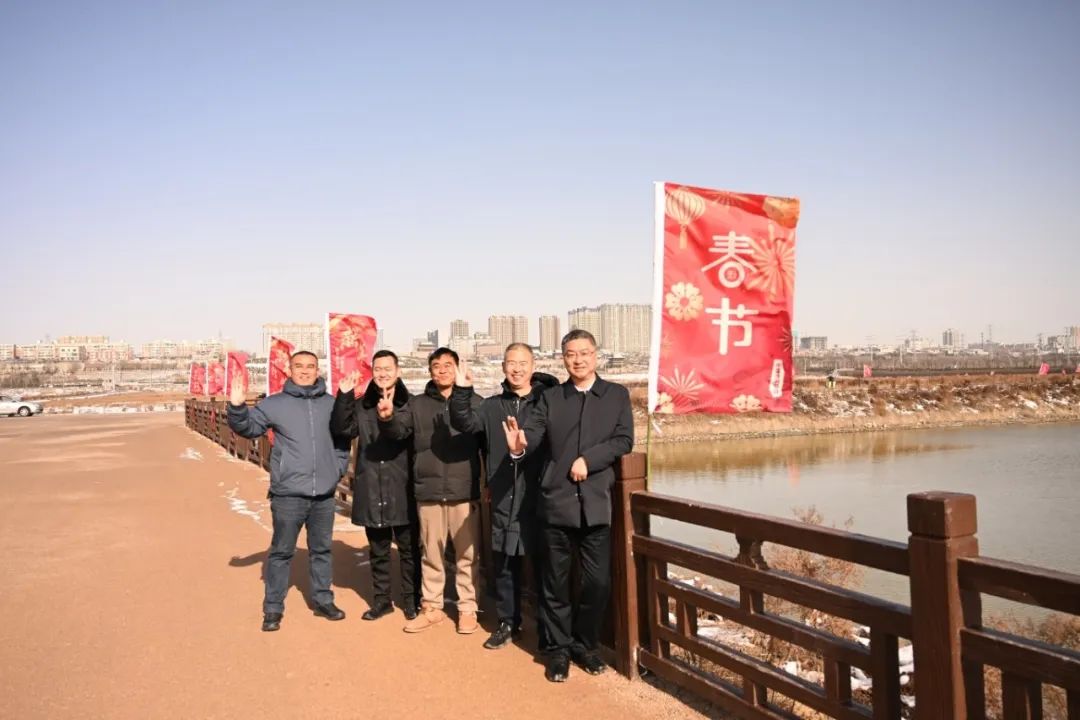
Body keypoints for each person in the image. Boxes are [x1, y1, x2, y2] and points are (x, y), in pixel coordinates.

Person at [505, 329, 633, 682]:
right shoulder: (551, 398)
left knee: (597, 584)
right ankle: (557, 650)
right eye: (571, 354)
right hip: (556, 503)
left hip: (596, 504)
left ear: (596, 355)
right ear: (563, 358)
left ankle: (584, 645)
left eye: (584, 353)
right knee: (554, 584)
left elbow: (624, 439)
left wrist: (589, 460)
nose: (578, 360)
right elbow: (533, 434)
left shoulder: (616, 395)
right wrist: (519, 445)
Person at [227, 351, 351, 632]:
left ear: (318, 370)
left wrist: (337, 468)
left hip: (323, 495)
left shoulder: (331, 403)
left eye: (310, 366)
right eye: (299, 366)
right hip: (288, 493)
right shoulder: (275, 404)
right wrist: (237, 407)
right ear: (289, 370)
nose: (305, 371)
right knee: (282, 551)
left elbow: (343, 440)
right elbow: (249, 427)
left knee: (322, 550)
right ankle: (273, 607)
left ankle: (323, 600)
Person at [448, 343, 558, 649]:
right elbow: (464, 422)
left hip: (541, 497)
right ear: (503, 367)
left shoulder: (547, 403)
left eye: (523, 363)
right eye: (511, 363)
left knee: (544, 568)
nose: (517, 369)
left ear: (533, 366)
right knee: (505, 566)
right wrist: (461, 391)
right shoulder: (492, 406)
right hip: (504, 496)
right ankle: (509, 623)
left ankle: (548, 631)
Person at [379, 347, 484, 634]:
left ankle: (467, 608)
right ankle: (432, 607)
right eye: (436, 366)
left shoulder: (476, 402)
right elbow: (399, 431)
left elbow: (487, 446)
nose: (442, 370)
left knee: (467, 556)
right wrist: (387, 418)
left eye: (448, 365)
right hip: (429, 490)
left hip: (464, 490)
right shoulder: (417, 404)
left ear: (458, 368)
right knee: (431, 554)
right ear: (430, 371)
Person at [330, 350, 421, 622]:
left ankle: (412, 600)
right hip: (371, 484)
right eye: (378, 369)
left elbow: (402, 432)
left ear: (398, 371)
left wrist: (388, 417)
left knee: (409, 549)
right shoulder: (362, 405)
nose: (382, 374)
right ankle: (382, 601)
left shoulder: (410, 404)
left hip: (402, 485)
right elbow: (342, 430)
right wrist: (344, 396)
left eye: (387, 369)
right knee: (378, 549)